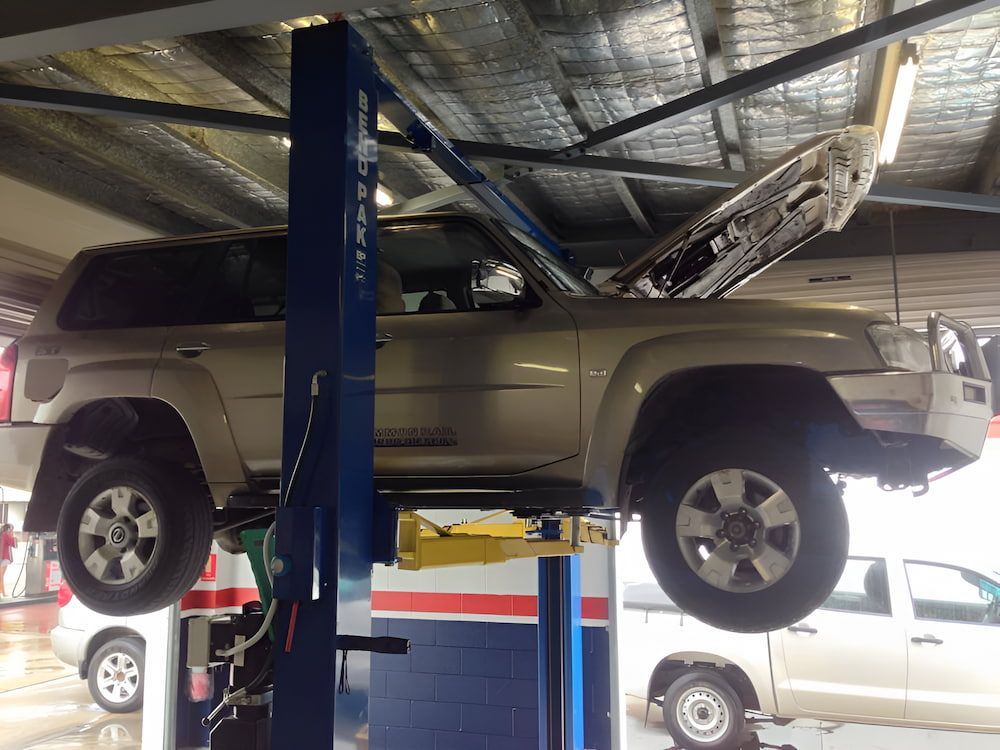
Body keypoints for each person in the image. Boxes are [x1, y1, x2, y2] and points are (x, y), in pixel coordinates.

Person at [0, 524, 16, 598]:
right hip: (4, 558)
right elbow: (14, 544)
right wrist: (13, 536)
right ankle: (2, 593)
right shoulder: (6, 535)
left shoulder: (2, 535)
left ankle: (2, 592)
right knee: (1, 576)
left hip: (2, 557)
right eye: (12, 529)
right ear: (9, 529)